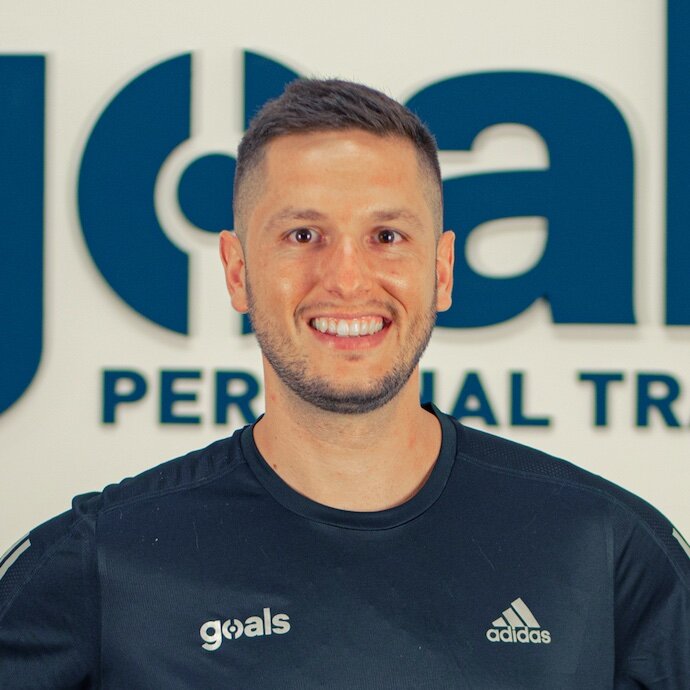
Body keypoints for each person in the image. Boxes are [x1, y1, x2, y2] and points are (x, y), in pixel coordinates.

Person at [0, 78, 688, 689]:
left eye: (387, 236)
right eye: (303, 235)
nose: (348, 280)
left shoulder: (608, 551)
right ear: (237, 272)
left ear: (442, 271)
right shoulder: (101, 559)